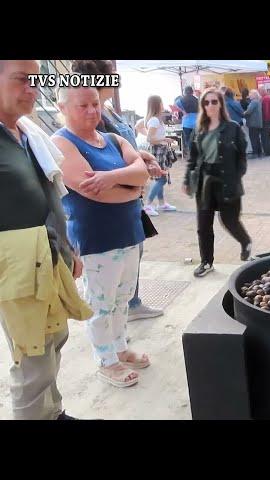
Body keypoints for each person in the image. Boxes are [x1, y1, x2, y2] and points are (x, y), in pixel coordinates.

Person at [0, 59, 92, 420]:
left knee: (55, 341)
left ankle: (52, 412)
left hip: (49, 256)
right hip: (17, 268)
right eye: (22, 80)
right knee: (32, 363)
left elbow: (49, 194)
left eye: (35, 80)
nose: (32, 88)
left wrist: (68, 250)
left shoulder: (26, 132)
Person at [53, 85, 152, 388]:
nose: (92, 111)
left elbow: (141, 173)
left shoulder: (112, 138)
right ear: (63, 108)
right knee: (101, 303)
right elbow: (91, 190)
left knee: (121, 298)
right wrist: (133, 187)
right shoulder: (61, 142)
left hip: (129, 231)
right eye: (83, 106)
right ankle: (106, 360)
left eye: (94, 104)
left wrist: (111, 177)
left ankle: (120, 347)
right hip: (96, 237)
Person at [70, 60, 164, 322]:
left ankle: (129, 307)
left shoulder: (107, 110)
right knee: (107, 280)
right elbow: (105, 157)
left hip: (130, 196)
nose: (116, 78)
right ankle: (113, 333)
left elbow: (125, 148)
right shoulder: (91, 115)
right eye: (111, 74)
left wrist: (142, 158)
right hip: (110, 206)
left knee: (132, 256)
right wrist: (134, 173)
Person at [182, 88, 252, 277]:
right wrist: (187, 179)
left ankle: (245, 242)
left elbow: (242, 157)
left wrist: (237, 176)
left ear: (221, 104)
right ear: (202, 106)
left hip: (227, 179)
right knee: (203, 225)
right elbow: (192, 158)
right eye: (206, 102)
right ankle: (207, 262)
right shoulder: (199, 129)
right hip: (205, 181)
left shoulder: (233, 128)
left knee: (229, 220)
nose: (210, 105)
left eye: (214, 101)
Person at [144, 95, 177, 215]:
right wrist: (164, 139)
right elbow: (150, 138)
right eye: (161, 103)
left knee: (160, 178)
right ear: (157, 105)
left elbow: (151, 136)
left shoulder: (153, 119)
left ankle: (162, 203)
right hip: (158, 151)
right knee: (161, 178)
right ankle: (148, 205)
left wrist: (164, 139)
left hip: (159, 150)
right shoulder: (154, 120)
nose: (163, 105)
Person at [175, 86, 199, 159]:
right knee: (196, 139)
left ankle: (191, 155)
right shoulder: (197, 99)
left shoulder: (181, 99)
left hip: (186, 123)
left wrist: (183, 111)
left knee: (188, 140)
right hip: (196, 122)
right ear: (192, 92)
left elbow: (176, 103)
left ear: (184, 92)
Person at [243, 89, 263, 158]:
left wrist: (243, 113)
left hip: (253, 123)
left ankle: (255, 153)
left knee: (253, 138)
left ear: (254, 95)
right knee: (257, 138)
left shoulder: (253, 102)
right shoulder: (258, 101)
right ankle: (259, 152)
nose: (249, 96)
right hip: (257, 123)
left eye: (250, 94)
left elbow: (249, 111)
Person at [259, 87, 270, 156]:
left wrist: (263, 119)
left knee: (265, 136)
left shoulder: (265, 98)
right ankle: (268, 151)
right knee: (266, 136)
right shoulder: (268, 97)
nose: (259, 93)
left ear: (262, 91)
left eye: (259, 91)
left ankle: (267, 151)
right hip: (268, 119)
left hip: (266, 120)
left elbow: (266, 110)